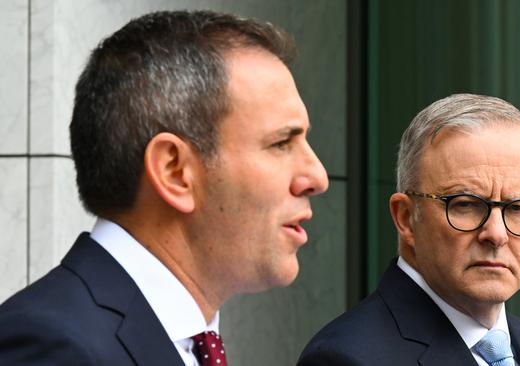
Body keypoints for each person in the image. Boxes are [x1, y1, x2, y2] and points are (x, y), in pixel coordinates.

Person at [0, 10, 328, 366]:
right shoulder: (56, 346)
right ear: (174, 171)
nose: (317, 177)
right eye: (281, 143)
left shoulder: (186, 340)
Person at [299, 94, 520, 365]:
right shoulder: (344, 359)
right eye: (465, 205)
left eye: (517, 209)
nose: (497, 234)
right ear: (406, 218)